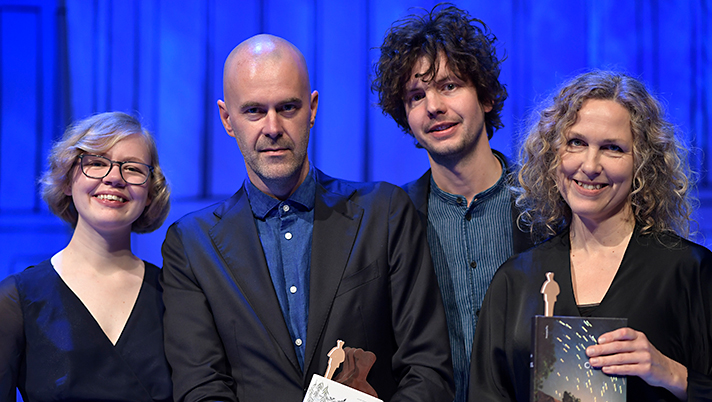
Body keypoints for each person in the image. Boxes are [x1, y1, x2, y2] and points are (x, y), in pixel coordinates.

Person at [161, 34, 454, 402]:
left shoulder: (385, 212)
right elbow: (201, 388)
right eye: (254, 110)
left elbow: (427, 367)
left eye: (287, 107)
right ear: (227, 118)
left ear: (312, 109)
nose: (272, 128)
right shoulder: (191, 245)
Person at [468, 70, 712, 401]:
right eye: (576, 142)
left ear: (642, 164)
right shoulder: (515, 280)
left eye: (612, 148)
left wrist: (670, 373)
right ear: (552, 154)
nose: (590, 165)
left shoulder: (687, 271)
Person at [372, 5, 533, 401]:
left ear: (487, 96)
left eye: (449, 86)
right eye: (415, 96)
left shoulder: (547, 208)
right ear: (404, 117)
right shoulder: (391, 220)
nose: (433, 107)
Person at [0, 112, 172, 401]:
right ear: (67, 180)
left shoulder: (176, 295)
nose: (114, 178)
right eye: (96, 163)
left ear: (151, 191)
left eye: (132, 168)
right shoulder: (16, 300)